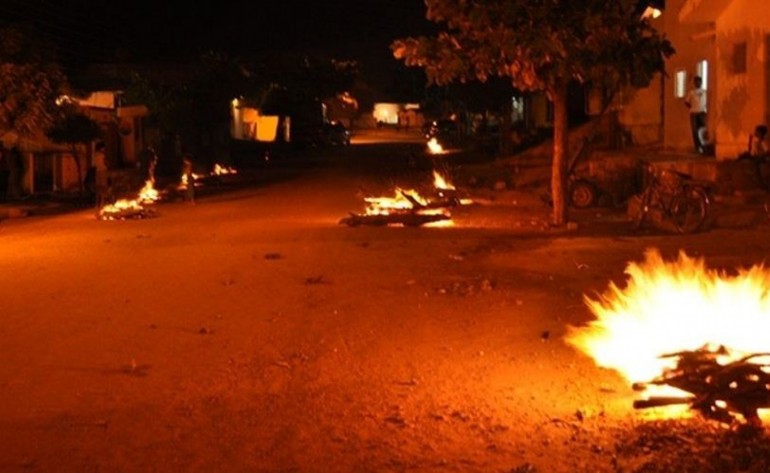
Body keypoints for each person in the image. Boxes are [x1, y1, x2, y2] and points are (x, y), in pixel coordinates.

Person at [684, 75, 708, 154]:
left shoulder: (704, 92)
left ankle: (704, 146)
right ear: (694, 83)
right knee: (695, 131)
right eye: (696, 82)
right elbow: (686, 102)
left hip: (702, 113)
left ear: (701, 82)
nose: (697, 83)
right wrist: (692, 107)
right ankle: (697, 147)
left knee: (703, 130)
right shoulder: (691, 92)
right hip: (693, 113)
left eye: (699, 82)